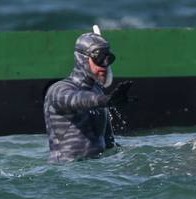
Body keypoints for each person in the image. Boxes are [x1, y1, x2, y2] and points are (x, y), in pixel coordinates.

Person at [44, 27, 133, 162]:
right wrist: (105, 100)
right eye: (99, 58)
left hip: (97, 172)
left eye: (108, 58)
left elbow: (109, 144)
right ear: (82, 59)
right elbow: (77, 100)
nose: (104, 64)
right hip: (66, 173)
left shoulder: (98, 92)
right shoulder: (57, 90)